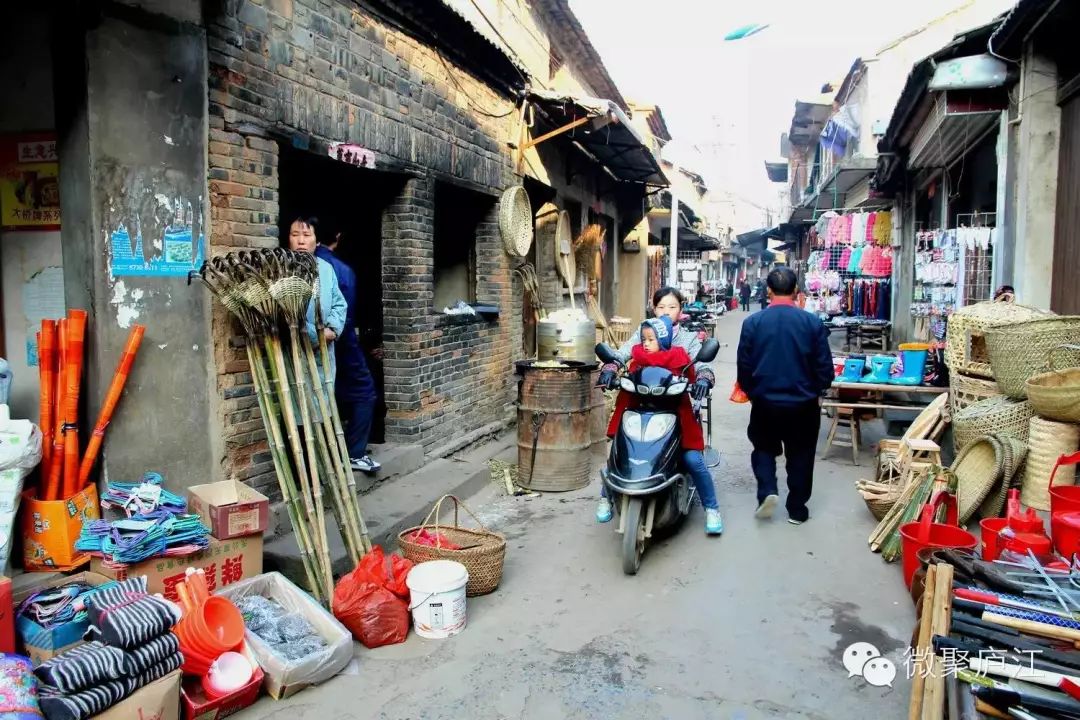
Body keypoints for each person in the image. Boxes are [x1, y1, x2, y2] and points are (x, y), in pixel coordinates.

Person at [597, 289, 721, 535]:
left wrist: (704, 379)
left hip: (677, 409)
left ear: (680, 311)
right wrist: (610, 367)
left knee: (692, 459)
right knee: (621, 449)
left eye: (672, 307)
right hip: (640, 405)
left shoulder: (687, 339)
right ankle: (606, 496)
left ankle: (712, 508)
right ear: (654, 309)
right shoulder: (643, 334)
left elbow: (704, 364)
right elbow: (622, 354)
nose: (666, 312)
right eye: (661, 307)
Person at [736, 267, 834, 525]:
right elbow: (825, 367)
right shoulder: (812, 323)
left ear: (768, 290)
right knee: (801, 454)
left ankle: (767, 490)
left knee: (764, 448)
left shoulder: (753, 323)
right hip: (803, 404)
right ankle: (797, 509)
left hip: (765, 402)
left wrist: (752, 392)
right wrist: (819, 390)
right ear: (796, 292)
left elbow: (744, 366)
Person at [314, 229, 381, 474]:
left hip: (320, 342)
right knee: (364, 393)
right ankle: (354, 453)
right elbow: (345, 315)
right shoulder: (340, 270)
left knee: (326, 393)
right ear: (339, 236)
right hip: (340, 342)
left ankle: (327, 454)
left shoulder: (316, 266)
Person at [287, 216, 347, 405]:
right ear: (288, 238)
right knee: (299, 416)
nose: (301, 241)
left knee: (324, 410)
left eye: (307, 234)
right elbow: (286, 317)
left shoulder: (326, 269)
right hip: (294, 356)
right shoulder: (282, 270)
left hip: (323, 358)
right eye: (295, 234)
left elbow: (340, 304)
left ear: (317, 240)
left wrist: (332, 330)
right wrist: (317, 334)